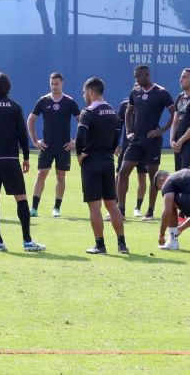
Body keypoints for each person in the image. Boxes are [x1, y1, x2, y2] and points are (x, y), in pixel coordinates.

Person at [0, 72, 46, 252]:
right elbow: (22, 133)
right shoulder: (14, 106)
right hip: (10, 158)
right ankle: (27, 241)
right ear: (8, 87)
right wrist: (26, 157)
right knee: (21, 198)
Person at [75, 77, 128, 254]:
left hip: (91, 163)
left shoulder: (88, 112)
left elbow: (80, 136)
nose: (84, 96)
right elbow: (115, 138)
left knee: (94, 207)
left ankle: (100, 245)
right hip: (107, 162)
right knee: (112, 205)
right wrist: (112, 148)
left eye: (85, 93)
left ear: (90, 91)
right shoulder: (113, 111)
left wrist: (79, 153)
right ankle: (122, 244)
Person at [117, 65, 175, 221]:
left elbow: (175, 113)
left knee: (153, 177)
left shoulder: (161, 92)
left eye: (138, 76)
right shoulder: (135, 92)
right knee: (123, 172)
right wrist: (129, 131)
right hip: (136, 141)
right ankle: (120, 211)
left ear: (147, 75)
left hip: (152, 141)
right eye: (135, 76)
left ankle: (150, 211)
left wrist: (160, 131)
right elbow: (128, 112)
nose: (136, 79)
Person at [27, 72, 81, 218]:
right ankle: (34, 208)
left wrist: (75, 142)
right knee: (41, 174)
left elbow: (83, 122)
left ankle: (56, 208)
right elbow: (31, 119)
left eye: (56, 83)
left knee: (61, 176)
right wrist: (35, 141)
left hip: (64, 147)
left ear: (62, 83)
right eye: (52, 83)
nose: (54, 86)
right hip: (47, 146)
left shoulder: (69, 102)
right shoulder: (43, 101)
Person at [116, 96, 148, 219]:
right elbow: (119, 126)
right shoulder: (125, 105)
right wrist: (116, 144)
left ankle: (138, 207)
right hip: (126, 146)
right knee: (120, 174)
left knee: (142, 176)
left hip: (143, 146)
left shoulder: (148, 103)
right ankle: (118, 206)